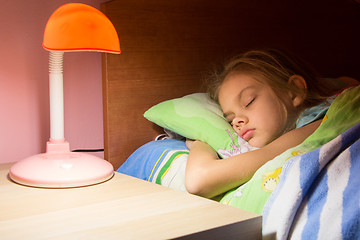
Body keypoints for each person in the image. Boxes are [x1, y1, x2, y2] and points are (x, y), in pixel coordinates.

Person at [185, 48, 355, 199]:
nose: (237, 121)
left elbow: (199, 180)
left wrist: (201, 142)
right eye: (230, 119)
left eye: (249, 101)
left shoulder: (317, 124)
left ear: (293, 92)